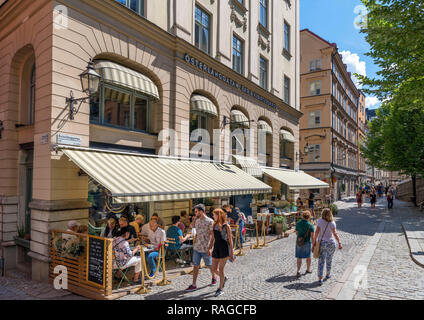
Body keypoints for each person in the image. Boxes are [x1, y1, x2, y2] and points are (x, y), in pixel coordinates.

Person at [185, 204, 216, 291]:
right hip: (197, 247)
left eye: (196, 212)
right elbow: (192, 229)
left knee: (209, 265)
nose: (194, 213)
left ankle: (214, 277)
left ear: (201, 211)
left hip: (206, 247)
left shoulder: (210, 221)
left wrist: (210, 247)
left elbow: (212, 236)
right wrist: (193, 221)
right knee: (195, 266)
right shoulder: (197, 221)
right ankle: (194, 284)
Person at [312, 208, 342, 285]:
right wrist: (339, 242)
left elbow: (316, 232)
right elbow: (335, 233)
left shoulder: (319, 221)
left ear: (322, 213)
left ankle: (320, 278)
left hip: (322, 243)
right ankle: (328, 274)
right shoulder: (332, 223)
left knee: (321, 261)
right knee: (329, 259)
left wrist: (314, 242)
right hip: (331, 243)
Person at [209, 208, 234, 297]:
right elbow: (212, 238)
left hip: (224, 247)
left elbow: (230, 240)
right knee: (213, 269)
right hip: (216, 247)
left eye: (214, 214)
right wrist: (209, 248)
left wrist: (232, 253)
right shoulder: (214, 224)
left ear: (218, 215)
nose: (212, 216)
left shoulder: (226, 226)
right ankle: (224, 278)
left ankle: (220, 289)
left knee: (221, 269)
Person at [295, 210, 315, 278]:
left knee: (299, 257)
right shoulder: (310, 225)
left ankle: (298, 270)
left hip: (299, 241)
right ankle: (308, 269)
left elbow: (296, 233)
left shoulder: (298, 223)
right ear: (309, 217)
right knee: (308, 256)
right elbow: (312, 237)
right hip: (307, 242)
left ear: (302, 216)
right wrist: (313, 245)